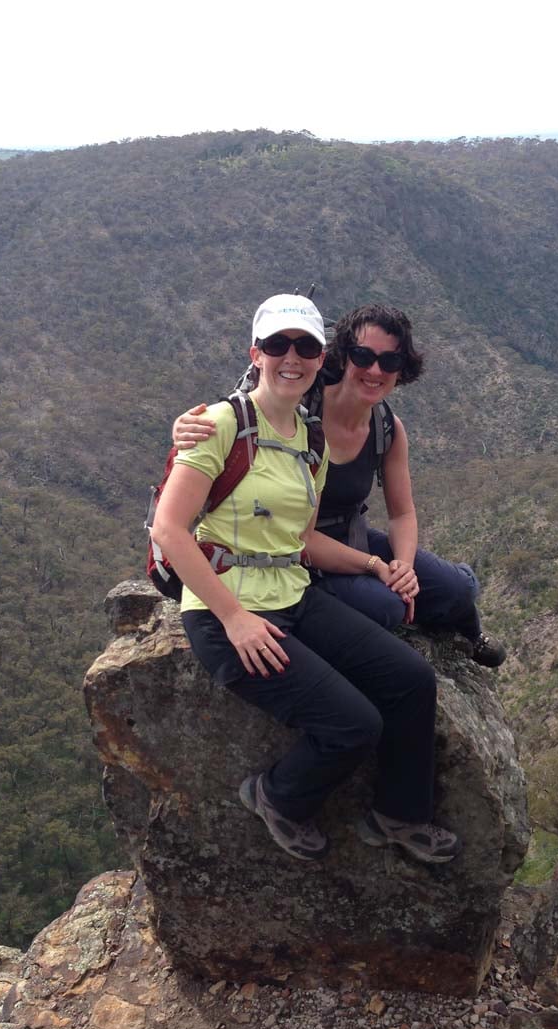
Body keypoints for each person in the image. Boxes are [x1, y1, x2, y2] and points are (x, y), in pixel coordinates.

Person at [150, 293, 459, 865]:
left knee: (412, 679)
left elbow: (302, 539)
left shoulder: (309, 440)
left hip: (292, 593)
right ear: (257, 352)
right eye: (277, 345)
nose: (291, 357)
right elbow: (169, 531)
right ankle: (277, 796)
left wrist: (374, 565)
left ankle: (399, 813)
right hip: (227, 612)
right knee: (354, 724)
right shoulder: (221, 423)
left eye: (306, 347)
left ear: (322, 359)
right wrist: (235, 619)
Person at [173, 303, 507, 668]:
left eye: (390, 362)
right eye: (363, 355)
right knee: (386, 607)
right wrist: (183, 427)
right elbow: (241, 414)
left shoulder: (386, 428)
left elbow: (403, 512)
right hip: (293, 548)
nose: (376, 370)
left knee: (455, 589)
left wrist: (405, 568)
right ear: (343, 356)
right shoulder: (301, 402)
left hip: (351, 536)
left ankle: (469, 628)